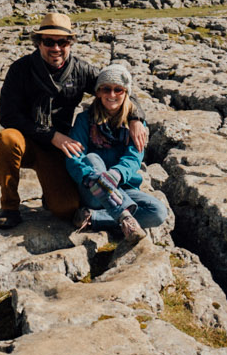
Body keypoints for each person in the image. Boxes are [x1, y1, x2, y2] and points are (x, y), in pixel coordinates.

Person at [0, 12, 147, 229]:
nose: (56, 48)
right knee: (6, 139)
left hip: (58, 151)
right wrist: (52, 135)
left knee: (66, 208)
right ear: (38, 42)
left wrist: (135, 118)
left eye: (62, 42)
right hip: (27, 141)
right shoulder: (20, 69)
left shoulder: (80, 70)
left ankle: (51, 195)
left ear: (70, 44)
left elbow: (115, 86)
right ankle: (9, 207)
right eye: (49, 42)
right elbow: (7, 115)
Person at [67, 64, 170, 241]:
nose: (112, 95)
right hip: (92, 190)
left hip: (123, 187)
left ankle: (94, 217)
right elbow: (75, 156)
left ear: (126, 93)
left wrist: (115, 175)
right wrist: (94, 179)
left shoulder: (136, 125)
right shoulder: (84, 120)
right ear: (98, 92)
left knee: (158, 213)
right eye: (106, 89)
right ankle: (125, 218)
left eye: (118, 90)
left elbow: (134, 157)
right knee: (92, 158)